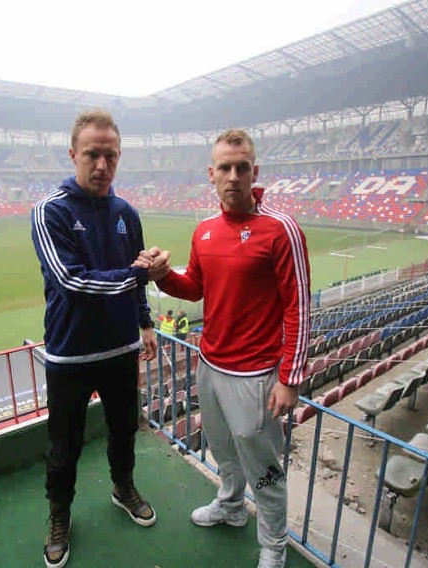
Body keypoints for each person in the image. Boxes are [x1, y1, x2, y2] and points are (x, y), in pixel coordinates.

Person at [148, 129, 310, 568]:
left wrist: (289, 379)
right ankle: (231, 506)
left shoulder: (280, 230)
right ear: (212, 174)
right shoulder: (204, 231)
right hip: (210, 365)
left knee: (265, 469)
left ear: (255, 172)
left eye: (242, 167)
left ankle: (273, 546)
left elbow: (299, 306)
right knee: (222, 449)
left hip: (256, 376)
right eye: (225, 168)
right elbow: (195, 287)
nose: (234, 175)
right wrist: (162, 276)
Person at [30, 108, 167, 568]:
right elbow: (72, 281)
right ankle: (59, 515)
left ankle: (122, 487)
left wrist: (145, 322)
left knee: (123, 429)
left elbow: (138, 282)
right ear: (73, 154)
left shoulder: (127, 213)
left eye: (110, 155)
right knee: (63, 445)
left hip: (121, 350)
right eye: (92, 154)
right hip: (69, 354)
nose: (102, 165)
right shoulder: (51, 211)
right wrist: (136, 274)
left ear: (119, 156)